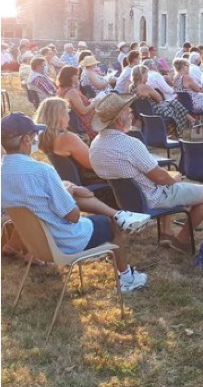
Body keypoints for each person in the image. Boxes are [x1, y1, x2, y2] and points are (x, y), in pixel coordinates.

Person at [1, 112, 149, 291]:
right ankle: (127, 278)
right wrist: (68, 192)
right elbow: (73, 216)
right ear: (25, 140)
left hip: (37, 243)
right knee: (111, 226)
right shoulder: (41, 171)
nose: (35, 140)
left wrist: (67, 190)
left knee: (75, 193)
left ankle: (119, 219)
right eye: (34, 136)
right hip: (64, 241)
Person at [89, 93, 203, 254]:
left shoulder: (95, 145)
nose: (132, 114)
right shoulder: (130, 145)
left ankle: (166, 232)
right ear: (119, 120)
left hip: (124, 199)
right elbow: (160, 178)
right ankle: (182, 239)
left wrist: (167, 178)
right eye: (129, 112)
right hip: (151, 198)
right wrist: (173, 178)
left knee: (166, 177)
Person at [130, 65, 199, 136]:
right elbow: (159, 98)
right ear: (142, 75)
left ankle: (192, 121)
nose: (147, 76)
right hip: (155, 111)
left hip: (143, 113)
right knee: (175, 104)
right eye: (146, 74)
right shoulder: (145, 87)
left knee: (174, 103)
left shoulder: (132, 88)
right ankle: (187, 125)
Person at [56, 65, 97, 139]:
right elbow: (83, 111)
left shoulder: (61, 89)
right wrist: (94, 102)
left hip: (74, 121)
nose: (78, 76)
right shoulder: (71, 92)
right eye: (77, 75)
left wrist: (89, 102)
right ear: (70, 76)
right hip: (82, 122)